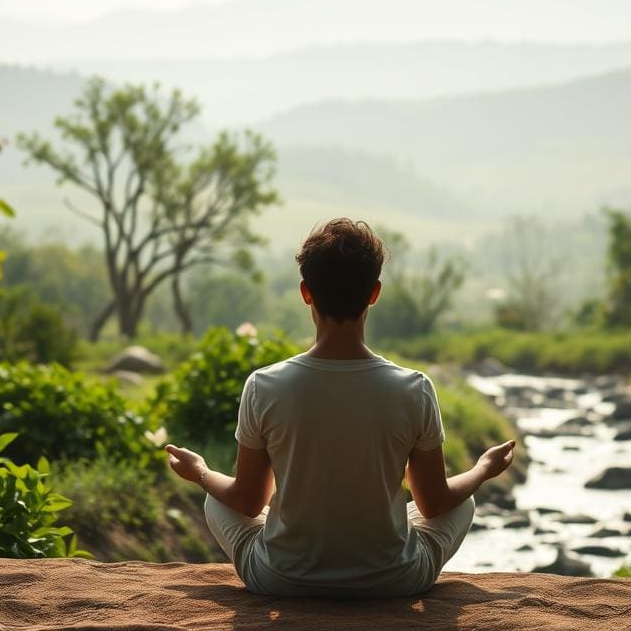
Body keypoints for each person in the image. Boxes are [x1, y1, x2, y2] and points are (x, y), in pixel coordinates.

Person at [165, 218, 515, 597]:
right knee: (463, 503)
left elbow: (249, 503)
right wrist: (482, 470)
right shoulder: (415, 388)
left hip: (280, 580)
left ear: (305, 292)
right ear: (374, 293)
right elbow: (433, 504)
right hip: (394, 581)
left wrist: (200, 471)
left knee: (215, 499)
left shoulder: (263, 385)